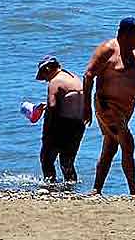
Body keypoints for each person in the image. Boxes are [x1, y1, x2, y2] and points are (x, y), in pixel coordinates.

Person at [82, 16, 135, 195]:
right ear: (124, 34)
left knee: (110, 146)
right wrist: (86, 106)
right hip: (107, 106)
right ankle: (133, 192)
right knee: (128, 142)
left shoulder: (133, 51)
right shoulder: (108, 49)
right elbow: (88, 75)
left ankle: (96, 189)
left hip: (125, 110)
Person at [34, 55, 86, 183]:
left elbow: (52, 106)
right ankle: (71, 187)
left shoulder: (55, 81)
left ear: (47, 69)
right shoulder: (73, 77)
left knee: (46, 158)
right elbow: (70, 101)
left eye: (44, 76)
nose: (46, 80)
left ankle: (49, 186)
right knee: (67, 161)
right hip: (78, 124)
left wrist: (46, 131)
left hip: (62, 124)